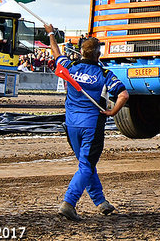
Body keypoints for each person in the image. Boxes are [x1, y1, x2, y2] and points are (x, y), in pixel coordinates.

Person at [45, 23, 129, 221]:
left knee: (86, 165)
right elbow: (123, 95)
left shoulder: (69, 67)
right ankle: (69, 203)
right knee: (86, 166)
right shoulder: (105, 74)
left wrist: (50, 33)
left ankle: (100, 202)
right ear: (98, 55)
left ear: (81, 52)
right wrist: (111, 112)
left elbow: (56, 53)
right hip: (92, 126)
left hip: (71, 125)